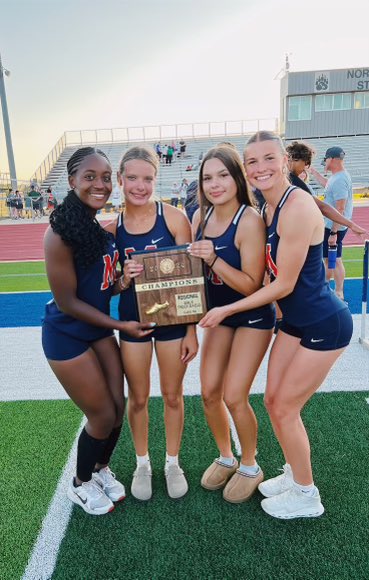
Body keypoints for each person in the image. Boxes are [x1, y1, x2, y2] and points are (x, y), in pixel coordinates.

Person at [199, 131, 353, 519]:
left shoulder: (296, 207)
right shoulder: (269, 207)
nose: (261, 167)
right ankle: (293, 472)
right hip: (296, 323)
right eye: (252, 161)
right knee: (271, 401)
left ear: (284, 160)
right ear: (246, 170)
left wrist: (225, 311)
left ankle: (306, 494)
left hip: (324, 323)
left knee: (285, 408)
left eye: (269, 158)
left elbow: (282, 284)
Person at [42, 147, 155, 516]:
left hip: (96, 330)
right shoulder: (58, 235)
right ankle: (80, 483)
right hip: (68, 334)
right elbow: (69, 302)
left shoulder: (95, 228)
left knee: (118, 408)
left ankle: (100, 469)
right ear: (72, 181)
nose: (100, 184)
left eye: (106, 177)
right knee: (102, 415)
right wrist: (120, 324)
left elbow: (101, 289)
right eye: (90, 177)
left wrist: (123, 281)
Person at [106, 145, 198, 501]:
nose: (140, 186)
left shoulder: (174, 219)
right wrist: (124, 279)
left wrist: (192, 330)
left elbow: (192, 280)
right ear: (120, 180)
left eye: (147, 178)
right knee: (140, 397)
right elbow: (111, 286)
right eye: (132, 178)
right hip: (134, 323)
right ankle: (142, 463)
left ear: (156, 179)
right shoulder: (112, 228)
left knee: (173, 395)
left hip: (174, 322)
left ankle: (172, 462)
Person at [188, 145, 275, 503]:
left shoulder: (249, 220)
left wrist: (214, 259)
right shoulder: (199, 218)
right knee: (209, 392)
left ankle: (251, 464)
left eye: (223, 175)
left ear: (237, 177)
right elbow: (192, 274)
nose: (215, 183)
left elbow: (251, 284)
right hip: (218, 316)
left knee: (234, 395)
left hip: (251, 316)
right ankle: (226, 456)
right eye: (208, 177)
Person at [286, 141, 365, 238]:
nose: (305, 169)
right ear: (294, 160)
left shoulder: (287, 178)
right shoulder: (290, 180)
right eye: (305, 164)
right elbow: (323, 207)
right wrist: (351, 225)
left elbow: (324, 206)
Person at [309, 146, 354, 300]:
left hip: (334, 226)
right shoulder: (338, 176)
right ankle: (329, 287)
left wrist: (334, 232)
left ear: (333, 159)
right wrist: (314, 172)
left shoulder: (341, 179)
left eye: (326, 160)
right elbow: (329, 185)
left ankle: (338, 291)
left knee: (335, 258)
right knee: (329, 259)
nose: (325, 163)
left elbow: (340, 208)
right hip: (332, 224)